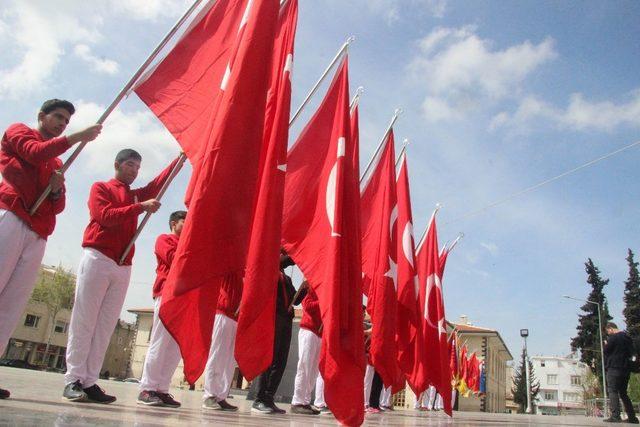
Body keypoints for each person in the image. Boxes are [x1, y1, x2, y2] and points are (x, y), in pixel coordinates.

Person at [0, 99, 101, 399]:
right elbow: (34, 152)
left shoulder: (57, 163)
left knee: (12, 305)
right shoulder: (19, 132)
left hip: (38, 231)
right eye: (58, 117)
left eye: (67, 122)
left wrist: (56, 189)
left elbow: (58, 206)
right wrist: (75, 138)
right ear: (42, 116)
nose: (62, 124)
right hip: (12, 216)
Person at [63, 149, 179, 404]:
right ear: (117, 164)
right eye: (129, 165)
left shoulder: (135, 194)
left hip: (123, 263)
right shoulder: (101, 188)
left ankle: (90, 381)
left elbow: (157, 185)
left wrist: (179, 159)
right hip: (98, 256)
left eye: (137, 167)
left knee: (105, 326)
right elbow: (104, 216)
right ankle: (73, 379)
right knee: (85, 320)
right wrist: (139, 207)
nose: (134, 170)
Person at [137, 210, 186, 408]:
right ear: (174, 223)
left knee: (174, 347)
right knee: (160, 341)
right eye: (185, 221)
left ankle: (162, 389)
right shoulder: (164, 239)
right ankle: (147, 388)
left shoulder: (189, 245)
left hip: (184, 298)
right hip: (167, 294)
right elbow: (175, 260)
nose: (189, 225)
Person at [251, 250, 306, 414]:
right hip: (272, 318)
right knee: (268, 359)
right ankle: (259, 399)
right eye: (281, 253)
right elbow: (284, 260)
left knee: (280, 361)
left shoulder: (287, 278)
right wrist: (300, 252)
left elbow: (294, 301)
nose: (283, 255)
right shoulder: (268, 271)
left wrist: (305, 287)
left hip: (286, 319)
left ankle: (269, 397)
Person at [201, 272, 243, 411]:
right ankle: (209, 395)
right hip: (223, 312)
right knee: (217, 356)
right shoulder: (230, 261)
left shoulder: (246, 270)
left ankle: (221, 395)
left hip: (237, 317)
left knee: (229, 361)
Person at [291, 283, 321, 415]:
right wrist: (324, 301)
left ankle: (306, 401)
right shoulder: (311, 286)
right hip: (308, 329)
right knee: (304, 366)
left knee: (314, 370)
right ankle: (297, 401)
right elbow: (307, 306)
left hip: (320, 333)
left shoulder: (326, 290)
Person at [603, 322, 638, 424]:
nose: (609, 333)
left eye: (608, 331)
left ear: (610, 329)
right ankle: (632, 417)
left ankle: (615, 416)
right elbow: (633, 353)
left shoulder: (613, 338)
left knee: (613, 391)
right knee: (623, 393)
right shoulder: (627, 337)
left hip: (614, 368)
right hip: (625, 369)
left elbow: (606, 351)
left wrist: (606, 344)